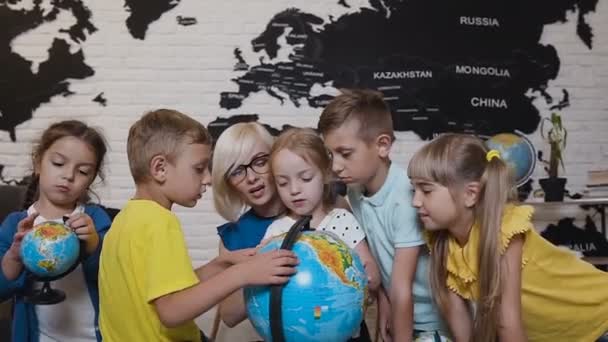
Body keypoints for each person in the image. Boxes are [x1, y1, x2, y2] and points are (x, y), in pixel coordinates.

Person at [98, 109, 298, 341]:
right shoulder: (161, 222)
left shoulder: (124, 221)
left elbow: (163, 291)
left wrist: (220, 264)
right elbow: (171, 311)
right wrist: (242, 274)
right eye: (199, 168)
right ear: (160, 169)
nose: (207, 179)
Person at [407, 133, 608, 342]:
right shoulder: (444, 243)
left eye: (426, 190)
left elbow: (507, 324)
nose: (415, 201)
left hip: (601, 318)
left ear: (470, 194)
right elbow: (458, 318)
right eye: (414, 189)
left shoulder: (504, 231)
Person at [319, 89, 448, 342]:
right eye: (331, 155)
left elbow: (402, 288)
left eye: (345, 154)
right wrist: (383, 301)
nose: (335, 166)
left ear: (382, 145)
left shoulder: (405, 196)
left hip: (433, 322)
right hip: (402, 314)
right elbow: (377, 257)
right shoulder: (356, 190)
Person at [263, 127, 381, 342]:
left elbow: (372, 274)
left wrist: (368, 277)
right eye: (283, 182)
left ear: (325, 174)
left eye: (305, 178)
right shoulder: (276, 232)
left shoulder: (342, 220)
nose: (294, 189)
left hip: (346, 335)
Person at [0, 120, 111, 342]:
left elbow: (115, 277)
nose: (69, 175)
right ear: (38, 163)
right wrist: (14, 257)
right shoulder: (15, 225)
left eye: (82, 171)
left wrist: (92, 245)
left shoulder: (95, 219)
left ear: (91, 179)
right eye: (58, 163)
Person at [211, 122, 285, 339]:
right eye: (237, 171)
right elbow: (229, 315)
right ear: (228, 183)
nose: (252, 177)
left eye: (260, 161)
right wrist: (259, 270)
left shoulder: (315, 208)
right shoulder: (233, 238)